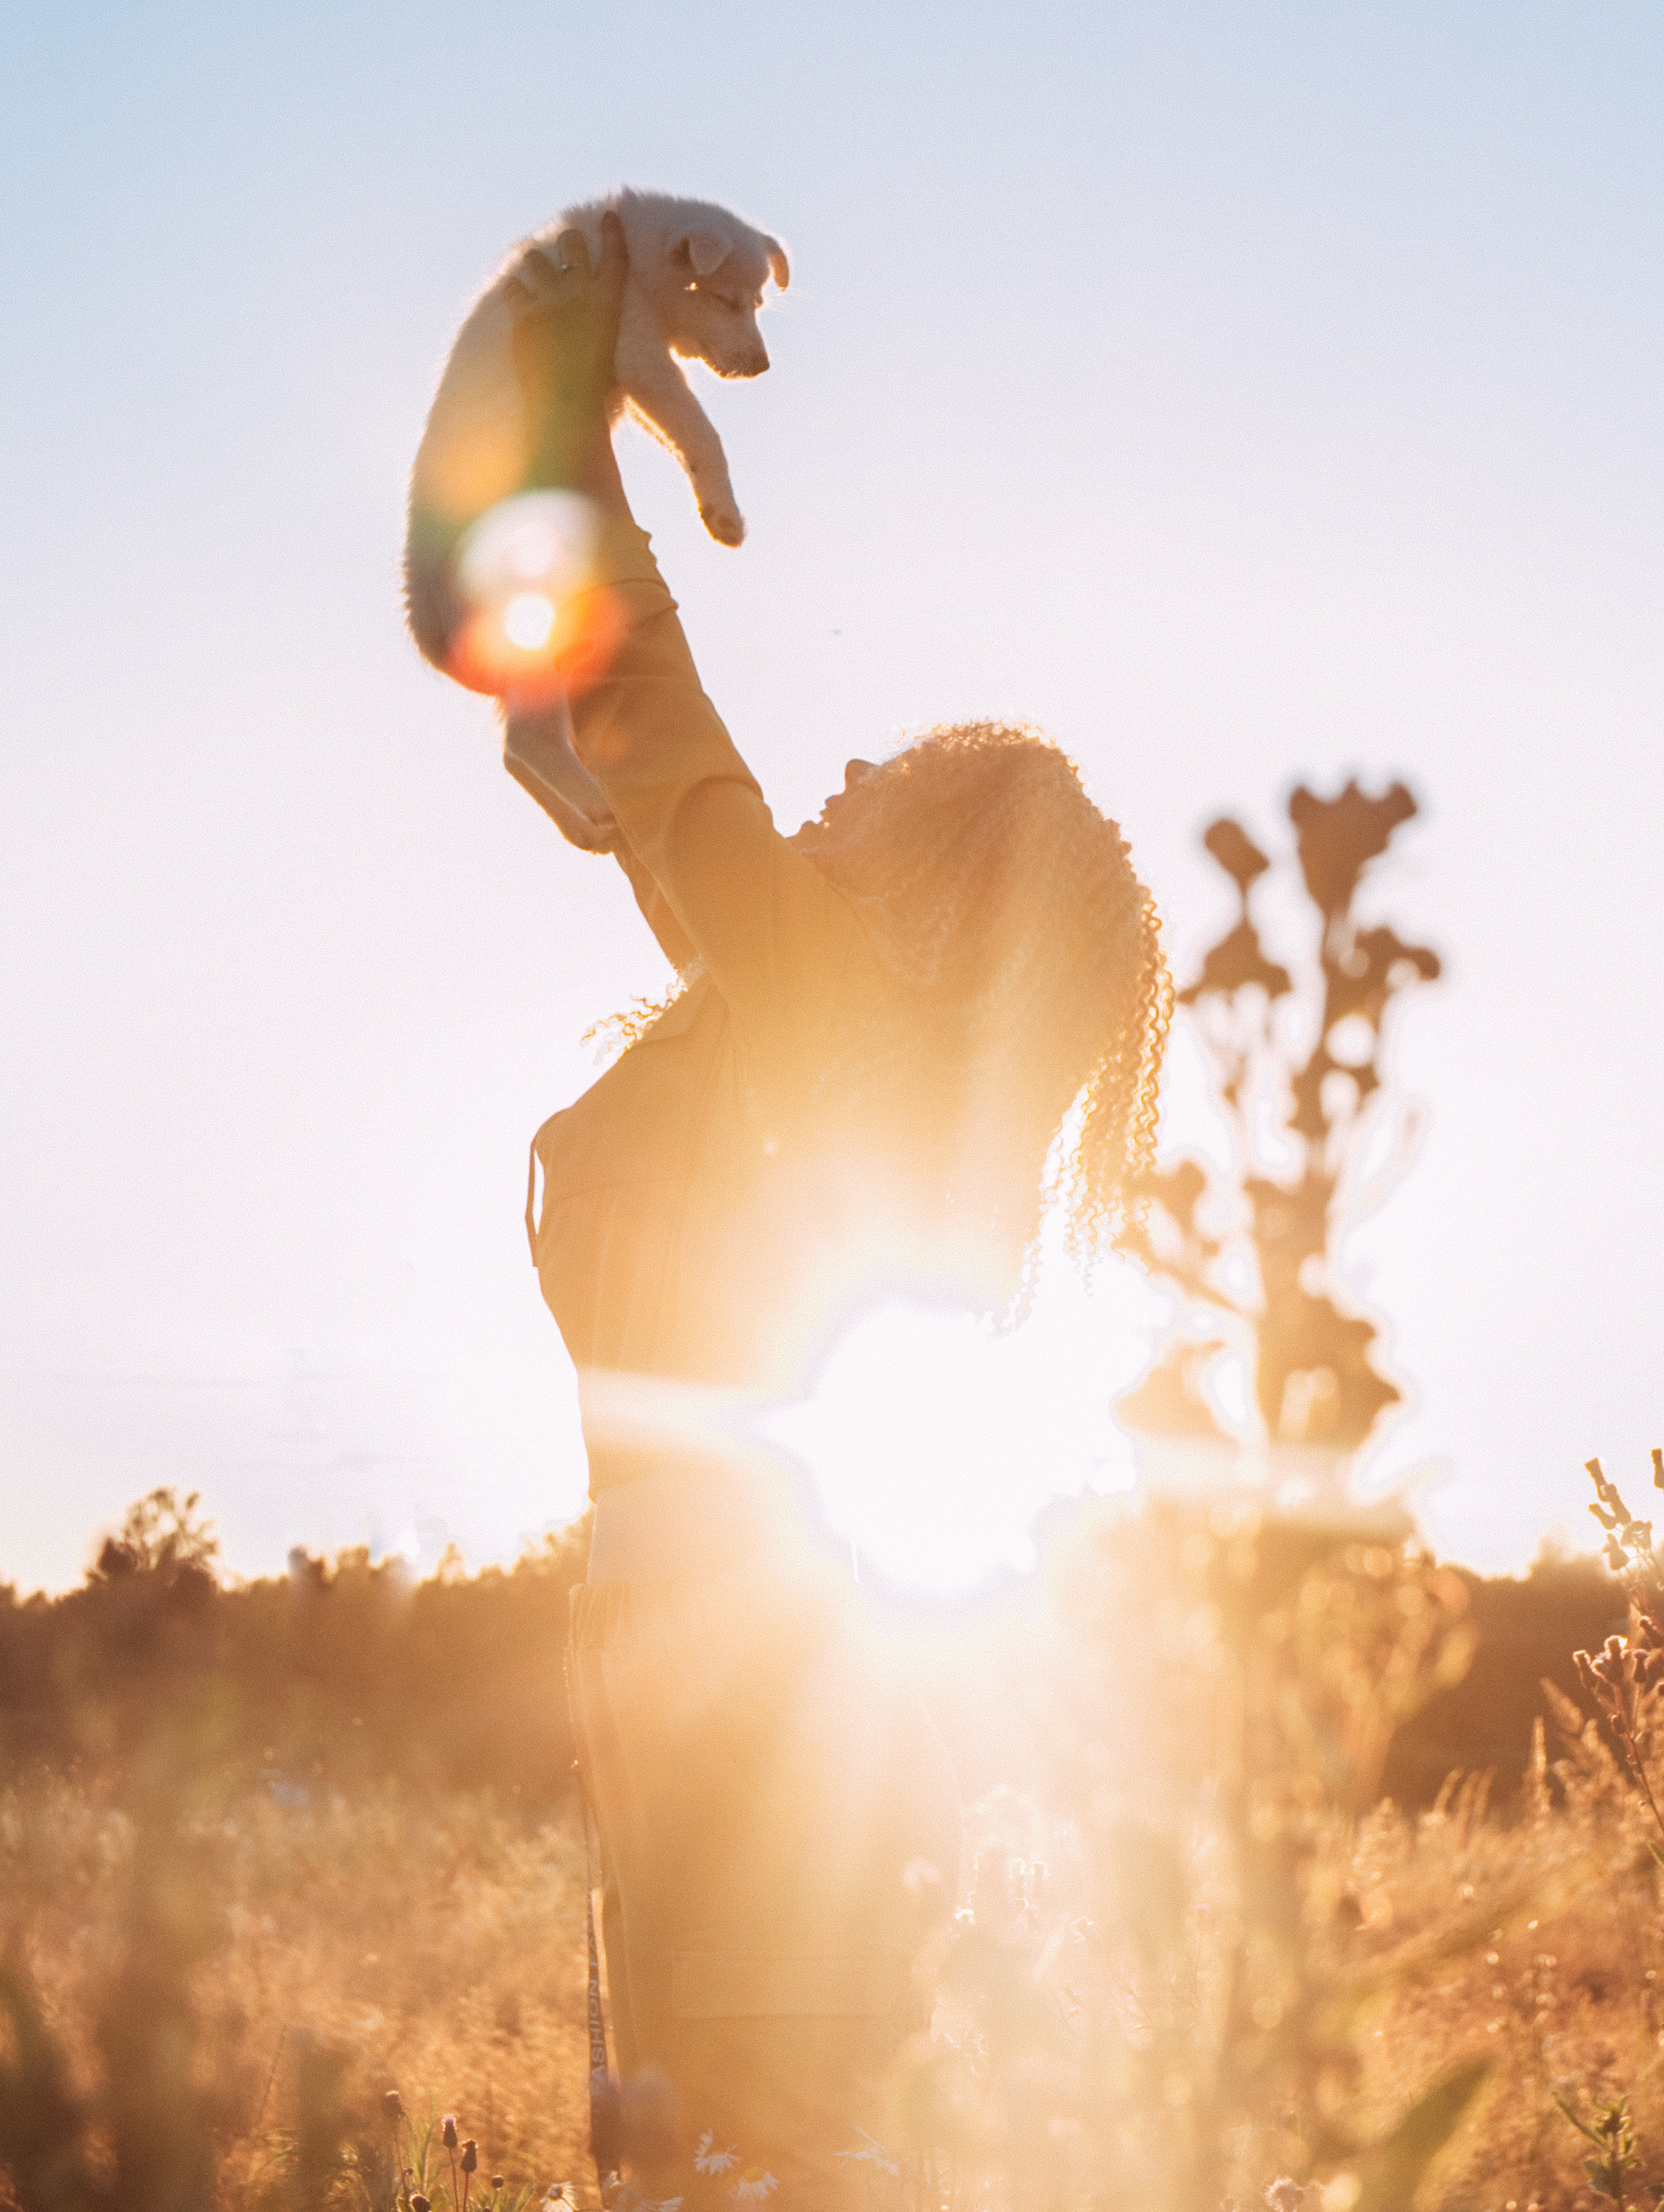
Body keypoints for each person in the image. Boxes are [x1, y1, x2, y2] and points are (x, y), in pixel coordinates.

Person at [406, 215, 1172, 2209]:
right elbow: (615, 752)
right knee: (732, 2156)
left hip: (738, 1666)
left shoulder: (835, 1022)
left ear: (944, 908)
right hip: (705, 1645)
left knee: (756, 2158)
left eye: (900, 793)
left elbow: (665, 743)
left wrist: (563, 326)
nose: (843, 774)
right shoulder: (820, 1054)